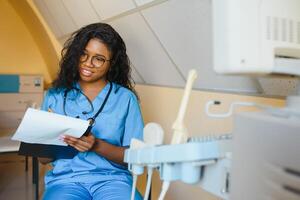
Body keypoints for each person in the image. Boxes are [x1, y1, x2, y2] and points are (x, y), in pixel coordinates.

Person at [39, 23, 143, 200]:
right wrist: (49, 136)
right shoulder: (55, 95)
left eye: (99, 58)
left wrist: (96, 146)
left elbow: (135, 157)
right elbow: (43, 159)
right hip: (65, 181)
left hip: (113, 180)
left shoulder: (125, 99)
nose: (88, 63)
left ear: (112, 63)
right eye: (84, 54)